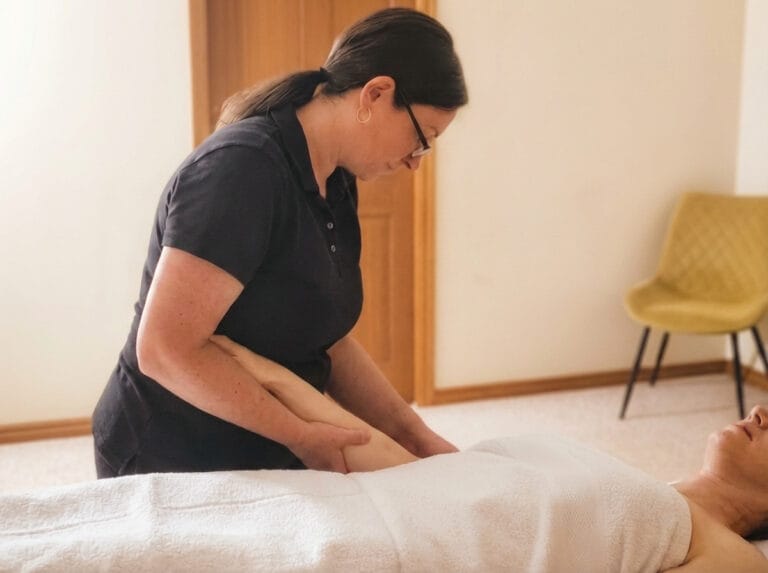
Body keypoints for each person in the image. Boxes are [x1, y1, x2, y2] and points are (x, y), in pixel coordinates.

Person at [91, 7, 468, 478]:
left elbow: (324, 335)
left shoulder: (336, 178)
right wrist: (298, 435)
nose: (416, 161)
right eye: (421, 137)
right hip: (171, 452)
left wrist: (412, 434)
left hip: (265, 443)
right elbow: (166, 350)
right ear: (375, 94)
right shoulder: (241, 170)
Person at [205, 335, 768, 571]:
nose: (761, 410)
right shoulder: (641, 492)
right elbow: (423, 479)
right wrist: (271, 377)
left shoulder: (732, 555)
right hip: (368, 513)